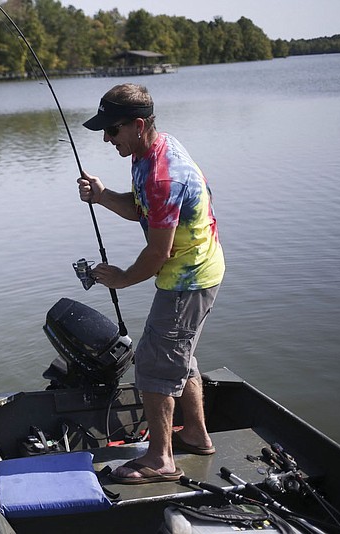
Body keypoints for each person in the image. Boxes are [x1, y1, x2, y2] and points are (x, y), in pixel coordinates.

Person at [78, 83, 225, 484]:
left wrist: (122, 279)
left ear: (139, 124)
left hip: (187, 279)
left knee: (152, 363)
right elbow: (142, 209)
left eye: (113, 130)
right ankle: (194, 434)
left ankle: (161, 460)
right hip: (194, 271)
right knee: (178, 354)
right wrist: (104, 195)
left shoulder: (164, 174)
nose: (107, 139)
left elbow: (158, 252)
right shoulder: (148, 152)